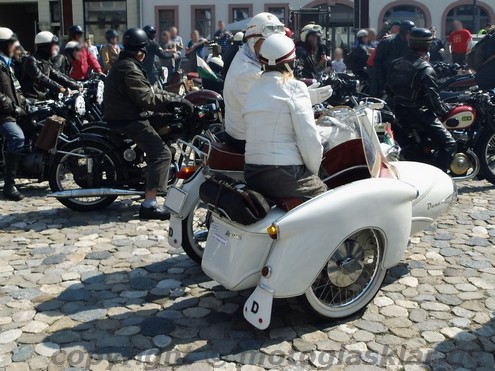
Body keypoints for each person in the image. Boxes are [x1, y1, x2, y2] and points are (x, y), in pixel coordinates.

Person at [104, 28, 193, 220]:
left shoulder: (127, 64)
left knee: (165, 129)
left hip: (128, 114)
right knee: (161, 153)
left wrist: (175, 98)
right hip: (127, 118)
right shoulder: (129, 68)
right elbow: (146, 98)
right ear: (141, 51)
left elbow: (151, 91)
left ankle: (156, 180)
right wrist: (174, 102)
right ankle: (148, 205)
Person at [224, 13, 332, 152]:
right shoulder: (248, 72)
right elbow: (271, 110)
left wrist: (302, 93)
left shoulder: (251, 57)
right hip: (243, 138)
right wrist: (306, 99)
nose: (272, 46)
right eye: (267, 42)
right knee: (305, 147)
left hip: (254, 128)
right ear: (253, 41)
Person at [243, 33, 326, 200]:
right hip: (283, 173)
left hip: (252, 172)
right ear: (291, 62)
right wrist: (314, 174)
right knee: (328, 201)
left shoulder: (252, 89)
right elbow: (309, 140)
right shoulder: (295, 87)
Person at [387, 28, 457, 172]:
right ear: (428, 46)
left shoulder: (395, 63)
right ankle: (438, 177)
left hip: (400, 112)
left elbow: (389, 90)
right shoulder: (425, 69)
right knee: (450, 144)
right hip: (419, 115)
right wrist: (448, 108)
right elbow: (433, 102)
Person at [0, 27, 27, 201]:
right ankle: (9, 185)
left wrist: (25, 104)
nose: (14, 46)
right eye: (11, 43)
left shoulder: (7, 63)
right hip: (2, 114)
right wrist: (11, 107)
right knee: (17, 138)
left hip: (10, 111)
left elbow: (15, 88)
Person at [20, 31, 80, 100]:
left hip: (43, 97)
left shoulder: (46, 61)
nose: (55, 48)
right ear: (45, 47)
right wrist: (60, 88)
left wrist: (75, 85)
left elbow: (56, 75)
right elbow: (41, 78)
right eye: (53, 46)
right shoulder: (31, 60)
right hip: (32, 98)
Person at [371, 20, 415, 97]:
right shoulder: (387, 42)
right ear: (404, 32)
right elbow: (377, 63)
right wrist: (383, 82)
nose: (411, 36)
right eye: (409, 33)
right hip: (385, 81)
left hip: (402, 84)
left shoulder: (411, 45)